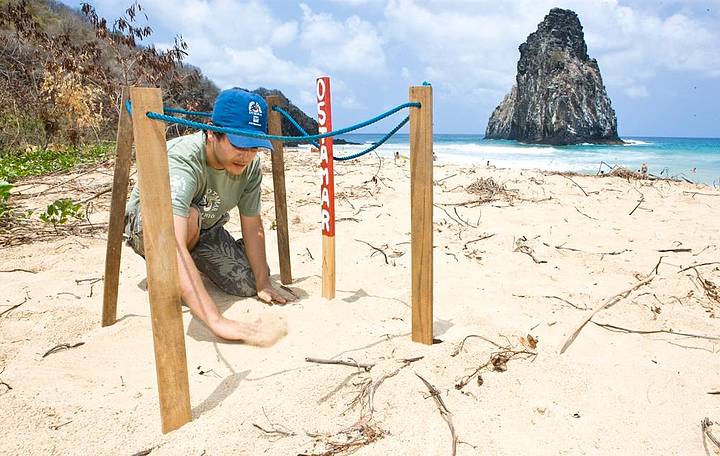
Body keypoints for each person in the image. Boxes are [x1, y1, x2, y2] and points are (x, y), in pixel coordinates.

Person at [124, 88, 291, 346]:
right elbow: (171, 240)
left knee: (246, 284)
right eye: (239, 144)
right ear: (212, 133)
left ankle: (186, 273)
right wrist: (218, 321)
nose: (246, 155)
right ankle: (169, 274)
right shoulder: (183, 159)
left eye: (254, 147)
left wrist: (263, 281)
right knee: (187, 219)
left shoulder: (250, 166)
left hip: (205, 228)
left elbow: (252, 223)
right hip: (152, 229)